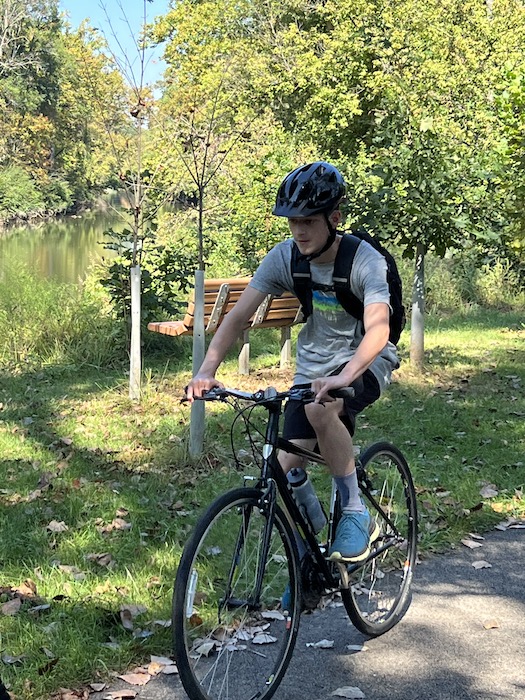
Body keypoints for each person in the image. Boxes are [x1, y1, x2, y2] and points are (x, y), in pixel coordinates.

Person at [186, 161, 399, 563]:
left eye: (308, 221)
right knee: (282, 472)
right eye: (292, 222)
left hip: (367, 360)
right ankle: (310, 567)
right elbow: (236, 316)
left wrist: (346, 376)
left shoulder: (364, 261)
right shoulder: (286, 257)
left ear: (334, 218)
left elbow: (378, 330)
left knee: (322, 410)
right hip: (314, 366)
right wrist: (206, 371)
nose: (299, 231)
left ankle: (354, 511)